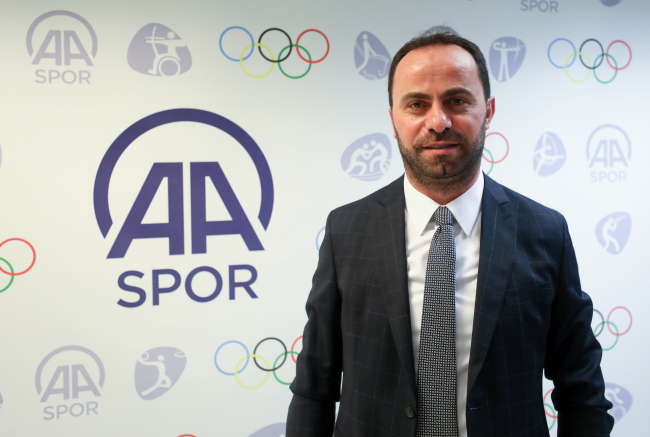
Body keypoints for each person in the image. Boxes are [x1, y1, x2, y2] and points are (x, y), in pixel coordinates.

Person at [287, 28, 614, 437]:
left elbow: (582, 391)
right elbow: (313, 387)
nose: (438, 122)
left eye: (457, 101)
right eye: (417, 104)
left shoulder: (546, 232)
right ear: (393, 119)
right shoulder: (347, 230)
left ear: (488, 111)